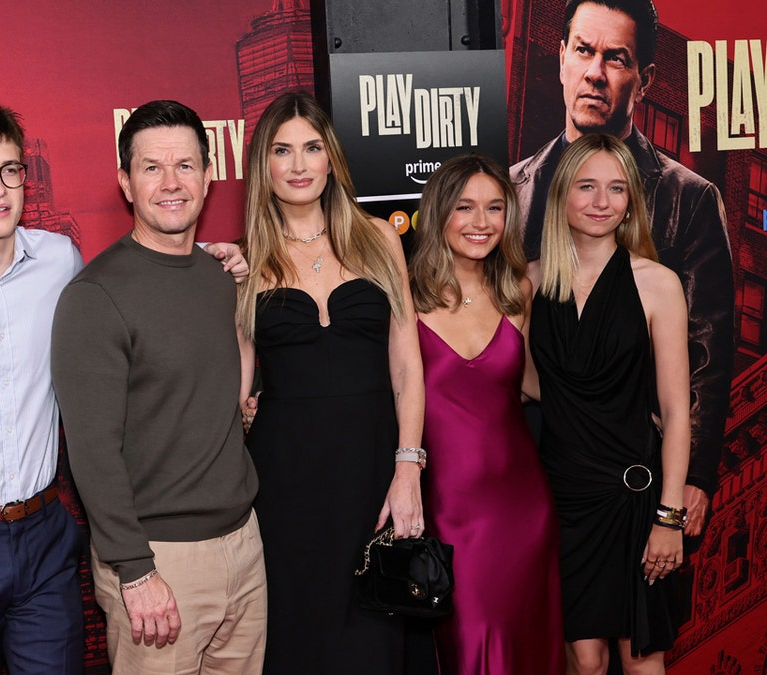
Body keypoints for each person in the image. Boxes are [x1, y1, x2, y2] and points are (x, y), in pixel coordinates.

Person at [0, 103, 247, 673]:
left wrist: (205, 256)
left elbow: (133, 282)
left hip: (46, 532)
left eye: (10, 170)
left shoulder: (59, 261)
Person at [51, 100, 266, 674]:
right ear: (125, 182)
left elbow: (234, 393)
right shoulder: (95, 297)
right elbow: (92, 451)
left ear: (208, 174)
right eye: (152, 168)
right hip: (159, 559)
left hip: (244, 543)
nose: (171, 183)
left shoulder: (221, 276)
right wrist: (135, 569)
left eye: (186, 166)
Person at [511, 0, 732, 537]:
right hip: (524, 460)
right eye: (583, 50)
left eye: (616, 58)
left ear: (645, 79)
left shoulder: (689, 198)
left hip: (633, 468)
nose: (594, 72)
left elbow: (707, 347)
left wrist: (693, 480)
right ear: (561, 56)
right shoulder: (510, 191)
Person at [235, 91, 424, 674]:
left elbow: (407, 368)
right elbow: (238, 382)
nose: (297, 165)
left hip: (372, 471)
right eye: (282, 150)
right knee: (301, 634)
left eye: (311, 148)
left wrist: (408, 469)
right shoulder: (247, 261)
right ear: (263, 166)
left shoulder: (379, 240)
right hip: (285, 482)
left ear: (331, 159)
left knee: (374, 635)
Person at [529, 133, 689, 674]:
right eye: (587, 186)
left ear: (631, 201)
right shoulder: (530, 283)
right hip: (562, 499)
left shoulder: (658, 284)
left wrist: (669, 516)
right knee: (584, 662)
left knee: (641, 660)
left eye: (617, 189)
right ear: (560, 194)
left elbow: (675, 412)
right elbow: (530, 382)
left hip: (633, 500)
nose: (602, 202)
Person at [408, 153, 564, 673]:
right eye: (465, 207)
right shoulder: (403, 296)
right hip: (447, 508)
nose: (481, 223)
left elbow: (532, 386)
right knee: (470, 645)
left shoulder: (517, 290)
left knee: (527, 649)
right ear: (438, 213)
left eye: (495, 208)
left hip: (523, 505)